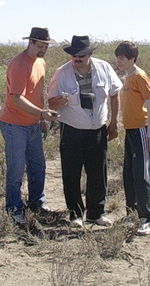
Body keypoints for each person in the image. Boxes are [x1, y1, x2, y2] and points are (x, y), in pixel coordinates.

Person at [48, 35, 122, 228]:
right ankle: (75, 215)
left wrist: (114, 122)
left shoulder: (104, 68)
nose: (77, 58)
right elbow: (50, 103)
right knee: (71, 173)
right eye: (74, 55)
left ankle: (96, 213)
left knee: (98, 173)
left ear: (89, 54)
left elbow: (114, 94)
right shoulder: (62, 73)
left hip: (97, 129)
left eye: (81, 55)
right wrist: (60, 102)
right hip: (71, 130)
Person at [0, 27, 59, 225]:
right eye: (40, 45)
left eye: (46, 46)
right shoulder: (18, 64)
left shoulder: (40, 62)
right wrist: (41, 114)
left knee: (38, 166)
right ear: (30, 42)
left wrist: (40, 119)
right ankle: (14, 210)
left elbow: (37, 93)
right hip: (14, 124)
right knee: (16, 169)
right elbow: (17, 98)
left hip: (33, 123)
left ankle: (36, 205)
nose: (43, 49)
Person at [114, 41, 150, 236]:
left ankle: (147, 219)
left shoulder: (140, 76)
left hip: (141, 130)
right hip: (130, 130)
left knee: (142, 175)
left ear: (132, 58)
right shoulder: (127, 77)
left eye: (122, 58)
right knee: (129, 174)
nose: (119, 61)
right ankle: (131, 213)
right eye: (118, 58)